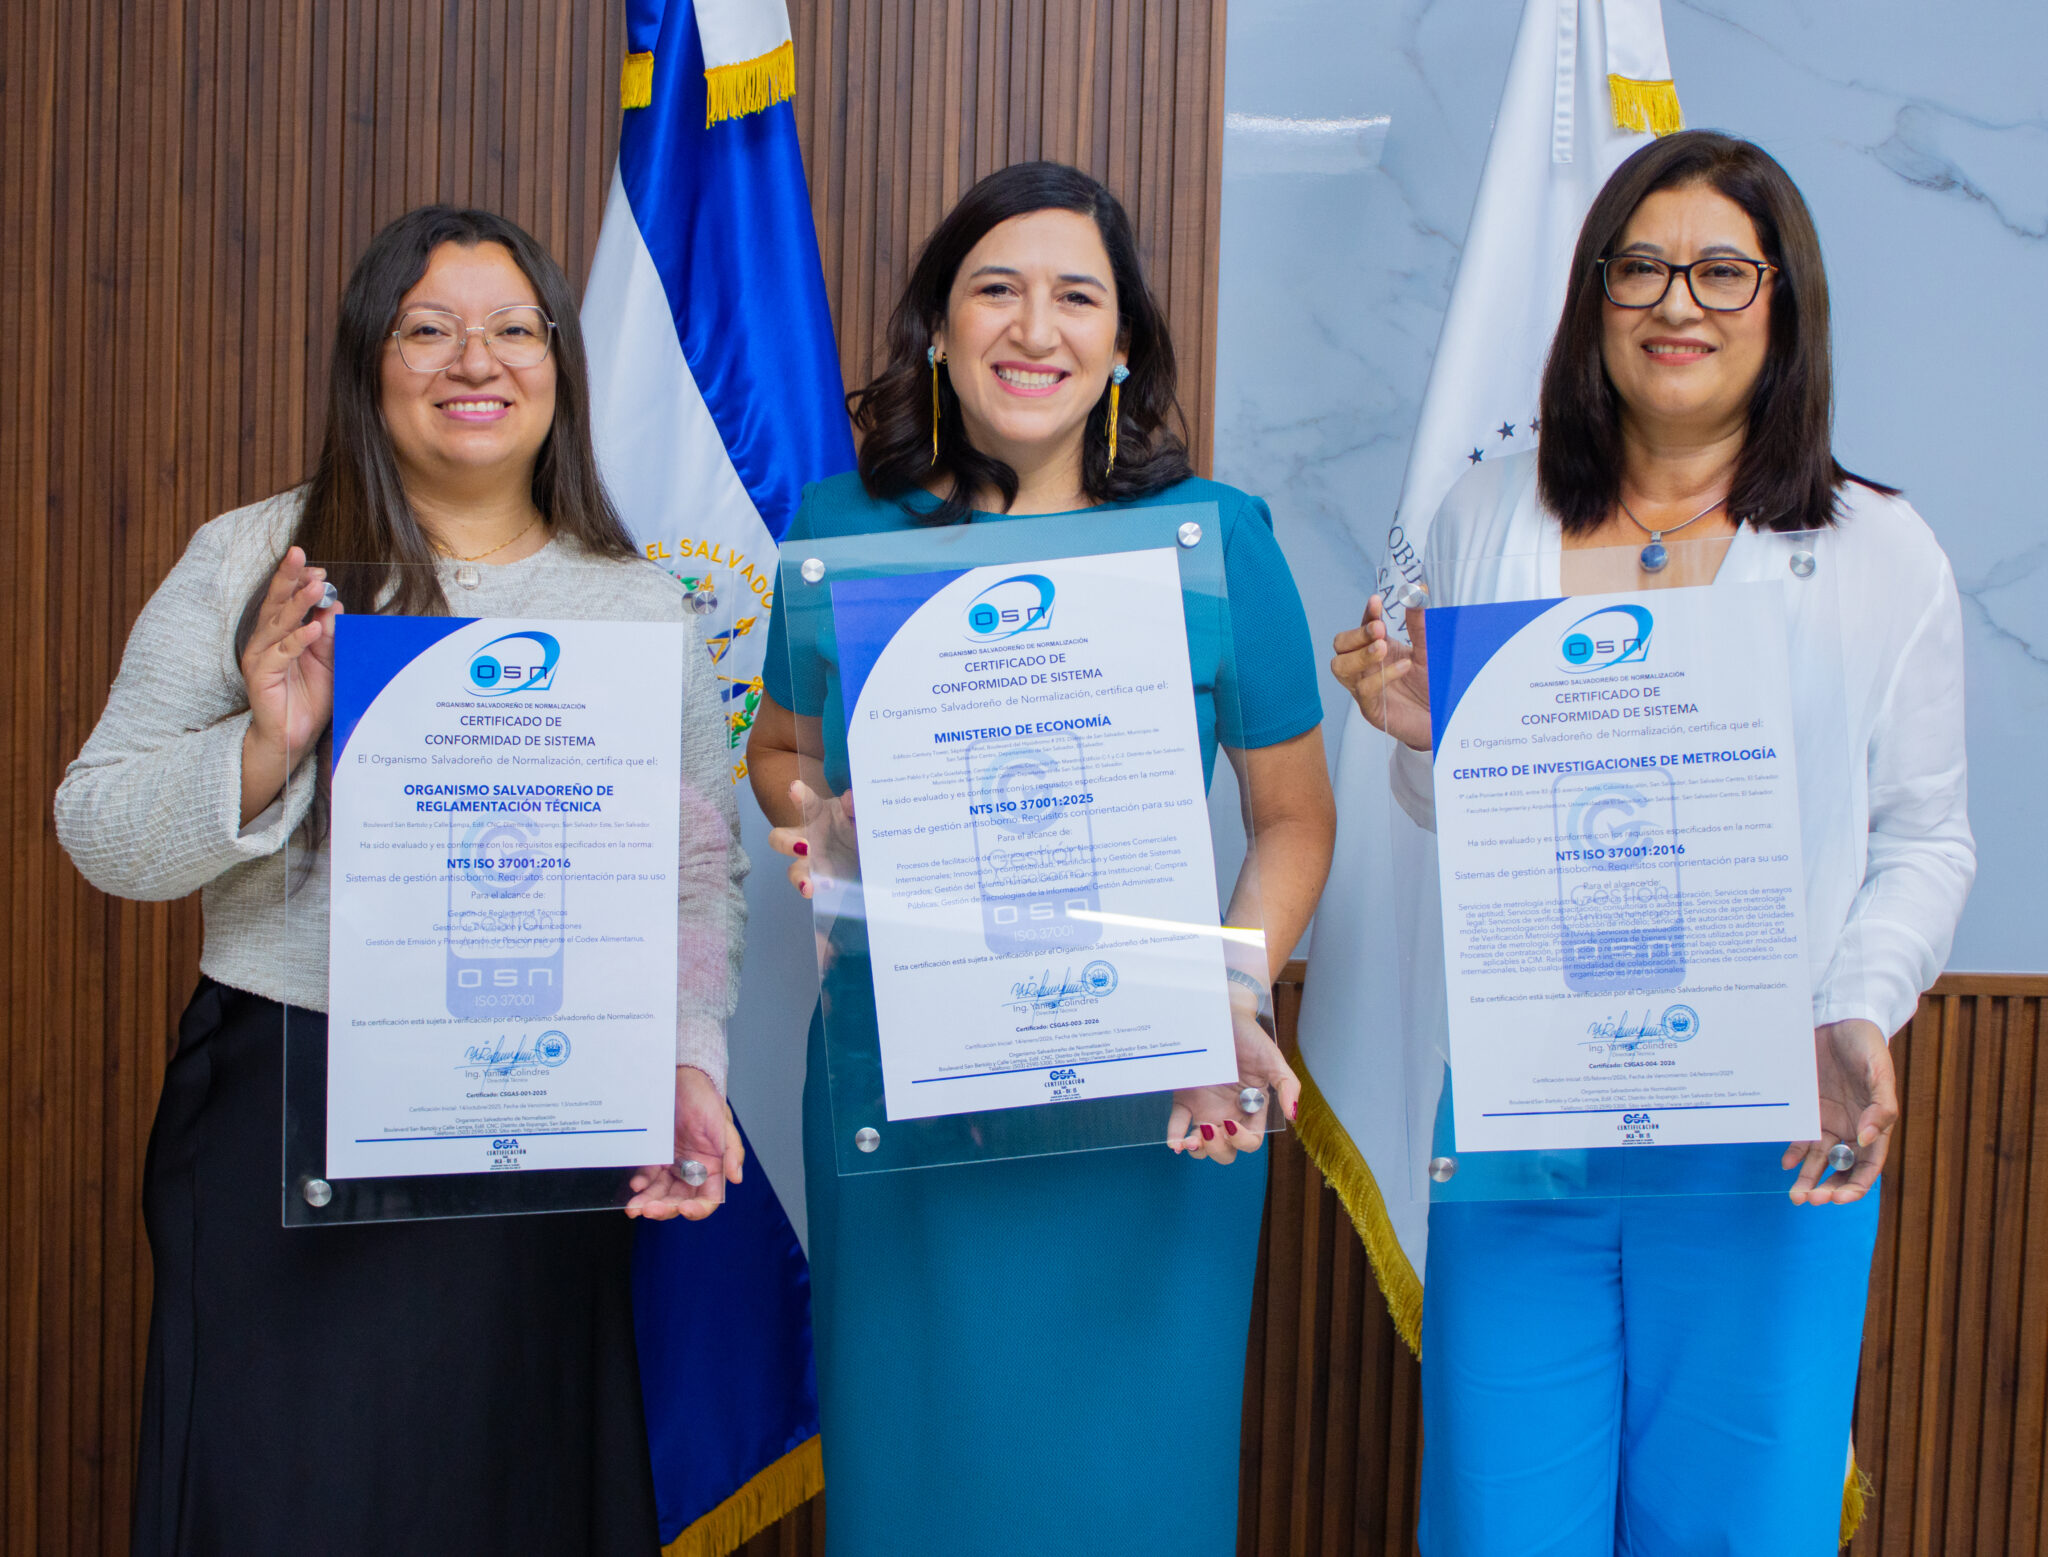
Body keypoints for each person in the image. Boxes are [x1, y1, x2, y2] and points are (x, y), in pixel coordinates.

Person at [54, 206, 747, 1556]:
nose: (473, 360)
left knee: (511, 1497)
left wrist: (689, 1059)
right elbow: (101, 831)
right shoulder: (259, 562)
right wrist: (269, 743)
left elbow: (694, 880)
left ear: (561, 365)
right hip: (289, 1108)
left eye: (512, 329)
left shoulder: (636, 604)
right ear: (368, 360)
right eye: (428, 328)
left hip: (544, 1107)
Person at [1332, 131, 1976, 1553]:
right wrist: (1425, 737)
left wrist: (1859, 1006)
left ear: (1783, 302)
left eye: (1722, 271)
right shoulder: (1488, 513)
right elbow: (1463, 818)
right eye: (1641, 267)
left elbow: (1927, 837)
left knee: (1739, 1529)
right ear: (1595, 298)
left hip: (1772, 1135)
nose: (1678, 303)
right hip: (1523, 1126)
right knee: (1503, 1527)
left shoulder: (1880, 549)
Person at [746, 161, 1336, 1551]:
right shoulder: (841, 530)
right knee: (918, 1488)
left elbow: (1295, 820)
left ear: (1122, 342)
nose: (1034, 328)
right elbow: (775, 750)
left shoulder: (1216, 538)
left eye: (1077, 296)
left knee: (1134, 1497)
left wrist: (1229, 990)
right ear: (937, 331)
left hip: (1157, 1096)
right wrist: (821, 817)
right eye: (995, 290)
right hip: (906, 1090)